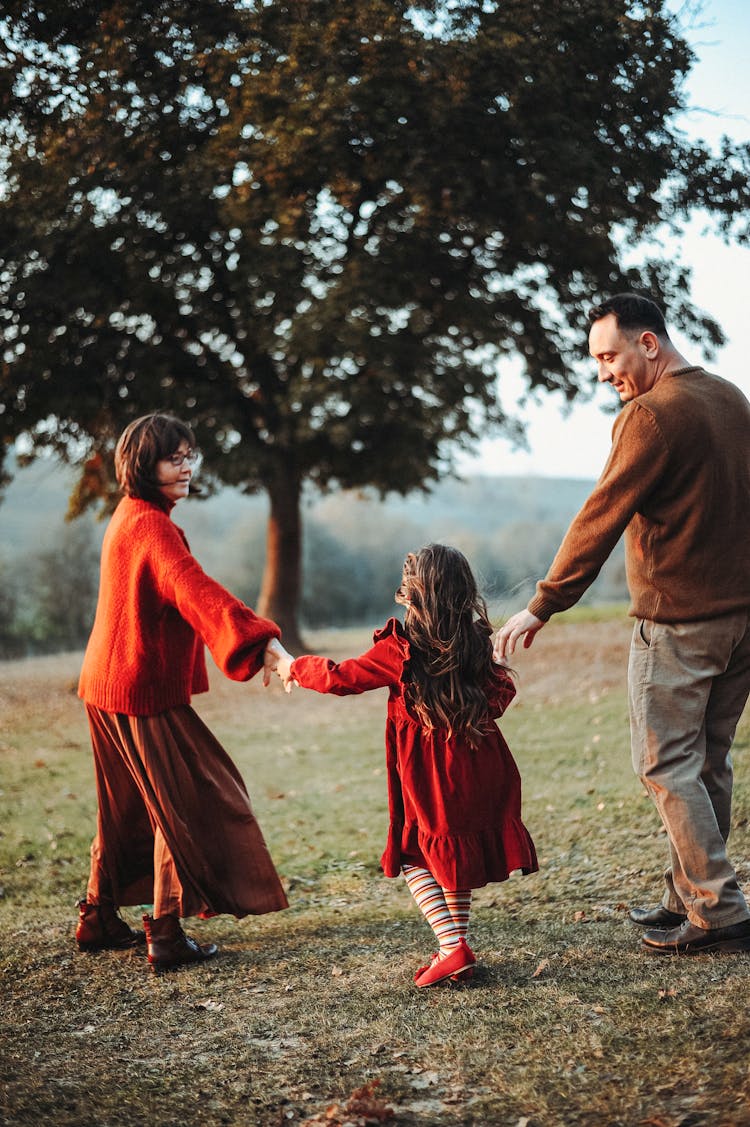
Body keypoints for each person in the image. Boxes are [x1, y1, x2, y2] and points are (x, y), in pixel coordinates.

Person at [494, 292, 750, 956]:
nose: (604, 372)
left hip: (680, 624)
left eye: (609, 355)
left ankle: (717, 907)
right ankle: (692, 896)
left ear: (649, 344)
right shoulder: (729, 397)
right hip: (741, 618)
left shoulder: (650, 415)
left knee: (665, 762)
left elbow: (601, 514)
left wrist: (543, 601)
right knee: (706, 761)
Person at [76, 412, 292, 970]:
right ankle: (166, 932)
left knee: (124, 808)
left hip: (105, 684)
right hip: (139, 689)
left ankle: (98, 916)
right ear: (142, 465)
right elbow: (195, 591)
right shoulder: (151, 526)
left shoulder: (129, 516)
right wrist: (263, 643)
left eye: (189, 454)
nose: (187, 466)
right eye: (174, 457)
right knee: (186, 801)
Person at [272, 544, 538, 987]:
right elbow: (497, 700)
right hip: (482, 768)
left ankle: (452, 948)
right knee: (453, 859)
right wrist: (500, 667)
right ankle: (455, 948)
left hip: (430, 777)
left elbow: (340, 677)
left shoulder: (401, 650)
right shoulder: (474, 642)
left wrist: (295, 668)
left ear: (413, 594)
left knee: (416, 857)